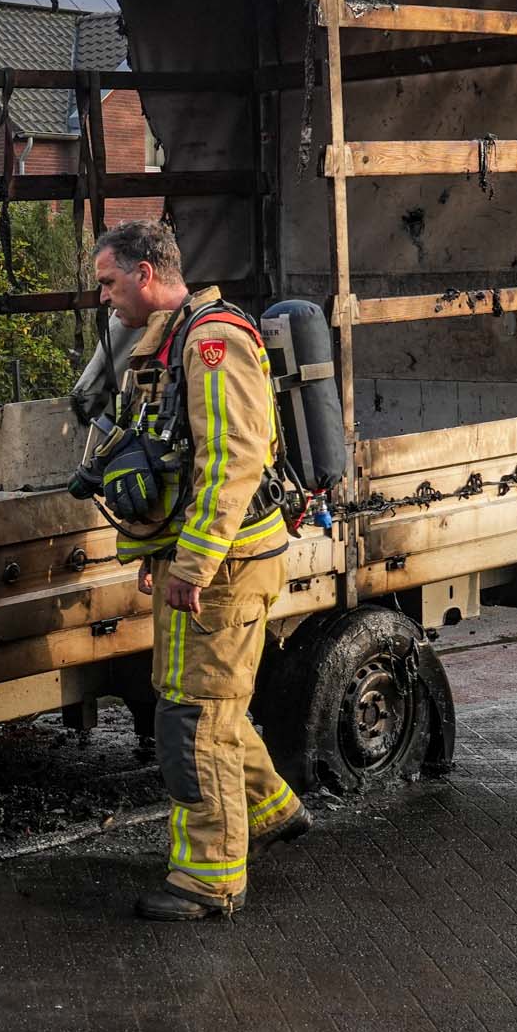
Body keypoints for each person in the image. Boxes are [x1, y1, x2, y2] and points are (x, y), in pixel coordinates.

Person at [85, 221, 313, 921]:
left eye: (110, 282)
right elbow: (178, 463)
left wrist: (193, 562)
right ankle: (271, 810)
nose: (104, 297)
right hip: (211, 564)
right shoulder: (172, 338)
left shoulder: (212, 343)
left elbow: (232, 462)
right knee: (198, 702)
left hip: (227, 567)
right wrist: (166, 558)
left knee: (195, 722)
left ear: (148, 274)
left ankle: (209, 881)